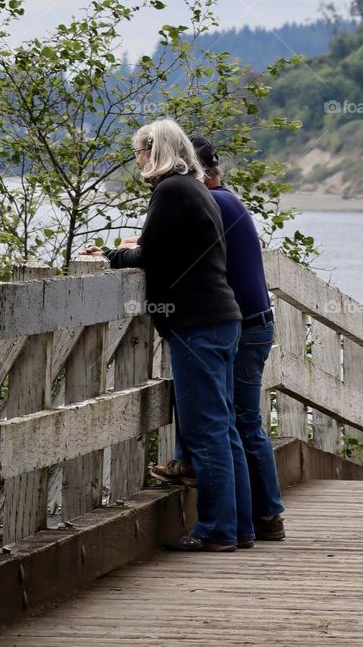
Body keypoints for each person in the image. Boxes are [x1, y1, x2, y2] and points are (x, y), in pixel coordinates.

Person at [83, 117, 254, 552]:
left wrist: (109, 255)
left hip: (197, 324)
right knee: (225, 427)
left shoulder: (171, 190)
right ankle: (240, 528)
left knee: (207, 429)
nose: (137, 159)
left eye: (139, 151)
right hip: (221, 318)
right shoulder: (194, 187)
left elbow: (151, 253)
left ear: (154, 150)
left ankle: (215, 530)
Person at [163, 134, 285, 542]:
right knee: (239, 421)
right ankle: (261, 518)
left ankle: (256, 516)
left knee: (236, 421)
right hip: (254, 320)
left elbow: (176, 250)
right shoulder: (229, 200)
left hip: (243, 325)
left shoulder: (210, 202)